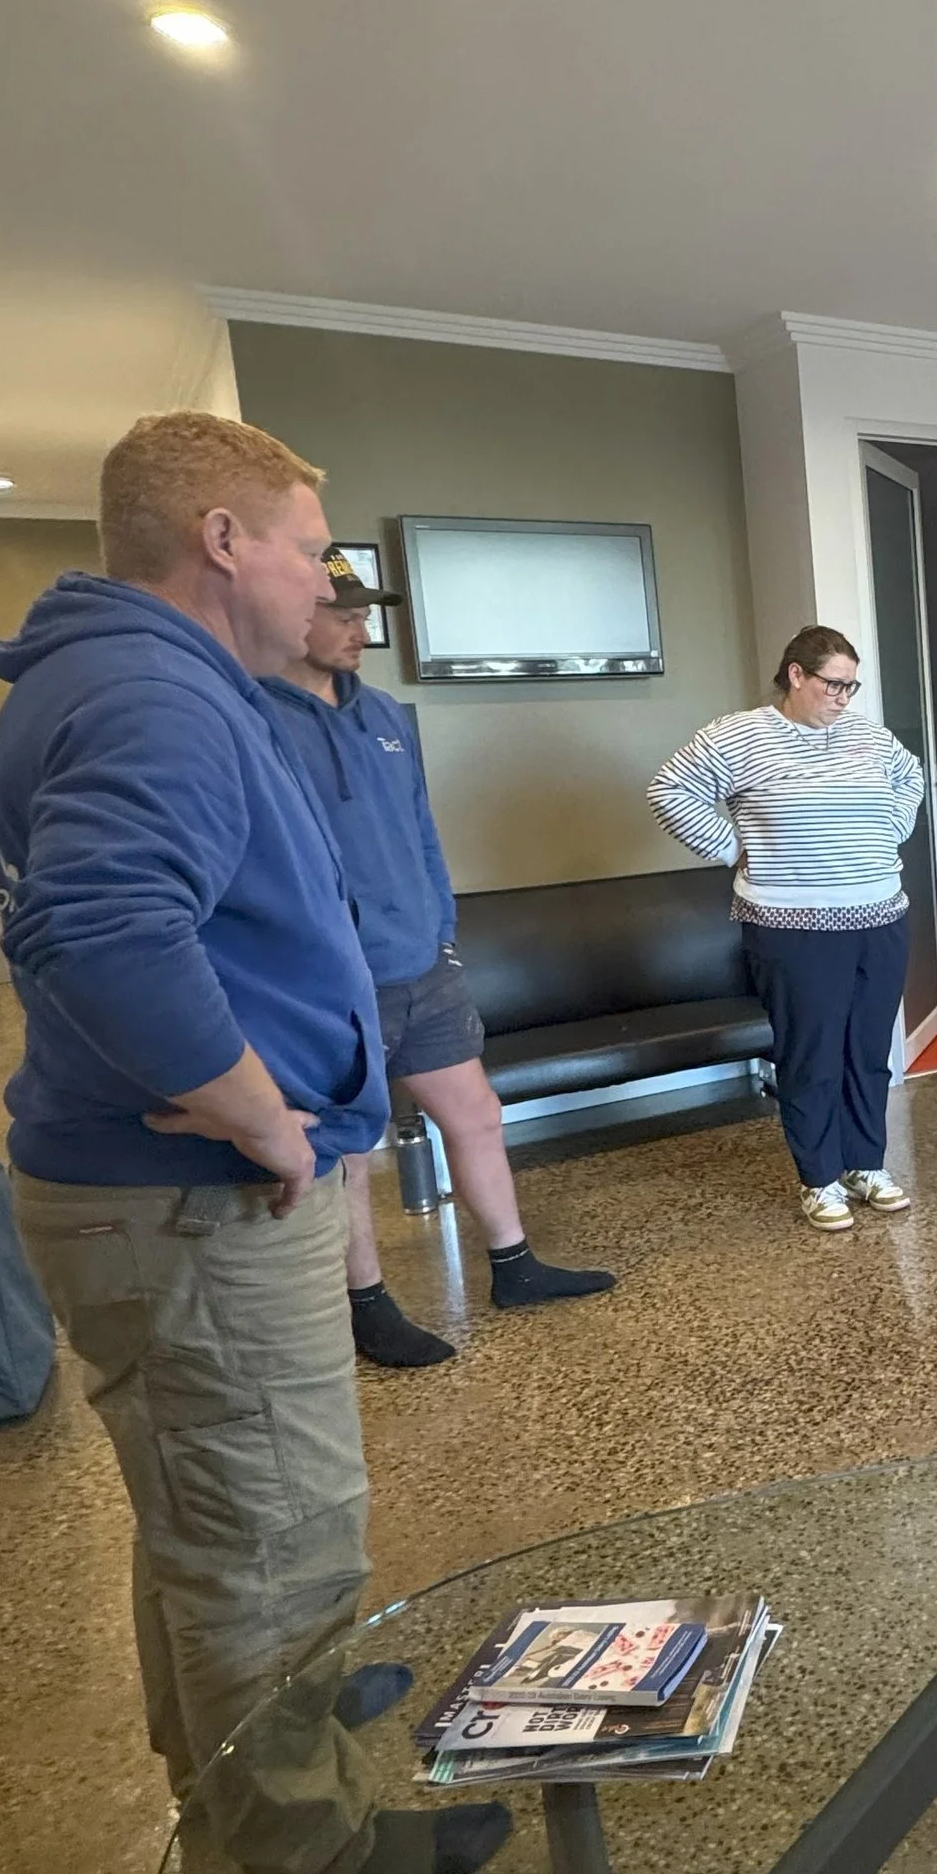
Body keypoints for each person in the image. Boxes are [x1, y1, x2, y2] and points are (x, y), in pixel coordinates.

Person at [0, 412, 508, 1874]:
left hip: (149, 1206)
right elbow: (95, 929)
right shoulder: (159, 695)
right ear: (223, 540)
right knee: (271, 1541)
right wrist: (271, 1117)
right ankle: (303, 1855)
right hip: (196, 1210)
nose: (320, 577)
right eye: (305, 544)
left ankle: (253, 1765)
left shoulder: (130, 678)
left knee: (209, 1526)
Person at [259, 550, 616, 1365]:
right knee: (350, 1151)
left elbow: (422, 834)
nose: (361, 628)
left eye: (365, 612)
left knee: (478, 1114)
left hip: (423, 965)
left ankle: (514, 1263)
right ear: (292, 612)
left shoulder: (383, 714)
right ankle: (366, 1302)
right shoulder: (252, 717)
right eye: (341, 612)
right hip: (335, 983)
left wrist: (442, 930)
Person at [649, 625, 926, 1230]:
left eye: (852, 688)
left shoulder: (868, 737)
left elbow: (911, 778)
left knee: (868, 1052)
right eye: (833, 685)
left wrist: (890, 832)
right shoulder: (740, 735)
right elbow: (670, 790)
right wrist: (735, 849)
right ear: (796, 675)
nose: (843, 700)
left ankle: (864, 1164)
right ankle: (819, 1177)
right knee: (812, 1055)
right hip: (791, 925)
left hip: (880, 916)